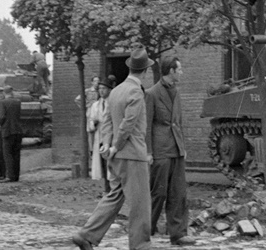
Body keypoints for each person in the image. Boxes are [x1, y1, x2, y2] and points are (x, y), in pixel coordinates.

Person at [72, 48, 154, 250]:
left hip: (116, 157)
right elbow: (129, 123)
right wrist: (116, 146)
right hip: (132, 155)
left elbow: (107, 122)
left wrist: (107, 145)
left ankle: (86, 234)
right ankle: (140, 245)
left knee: (115, 196)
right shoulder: (136, 91)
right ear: (145, 71)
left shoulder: (116, 91)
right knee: (140, 204)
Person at [146, 55, 195, 246]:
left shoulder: (176, 91)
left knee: (178, 193)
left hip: (176, 150)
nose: (181, 72)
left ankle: (178, 234)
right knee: (158, 193)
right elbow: (147, 126)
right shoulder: (152, 93)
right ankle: (144, 230)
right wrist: (148, 152)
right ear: (171, 71)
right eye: (179, 69)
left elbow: (179, 123)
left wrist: (183, 147)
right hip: (160, 151)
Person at [88, 76, 114, 192]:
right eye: (100, 89)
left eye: (104, 88)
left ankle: (113, 188)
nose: (101, 91)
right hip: (99, 136)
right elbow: (90, 121)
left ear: (109, 90)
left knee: (111, 162)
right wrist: (93, 123)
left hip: (111, 137)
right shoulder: (95, 105)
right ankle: (106, 188)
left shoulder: (113, 103)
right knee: (102, 163)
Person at [1, 85, 24, 182]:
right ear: (12, 92)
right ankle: (16, 176)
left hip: (7, 131)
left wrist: (0, 125)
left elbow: (1, 117)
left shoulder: (3, 102)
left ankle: (9, 176)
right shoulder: (18, 102)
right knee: (16, 154)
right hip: (18, 130)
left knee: (8, 153)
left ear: (4, 93)